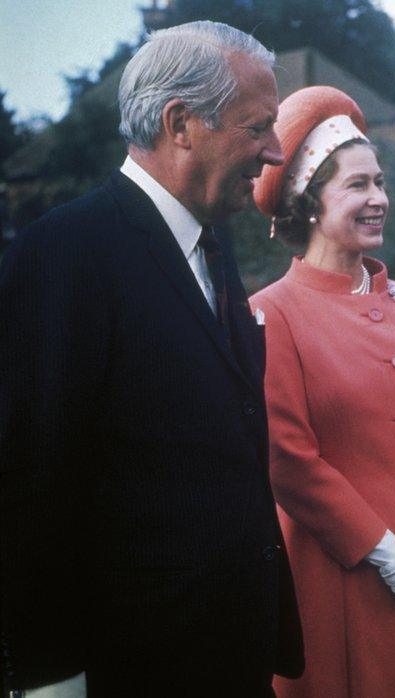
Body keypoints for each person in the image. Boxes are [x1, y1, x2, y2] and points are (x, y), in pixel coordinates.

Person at [0, 21, 303, 697]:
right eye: (257, 127)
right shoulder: (64, 256)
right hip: (130, 667)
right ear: (181, 123)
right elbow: (29, 482)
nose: (276, 150)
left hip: (229, 651)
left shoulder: (212, 246)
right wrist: (53, 677)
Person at [249, 86, 395, 698]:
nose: (379, 198)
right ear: (308, 200)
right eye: (357, 185)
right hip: (338, 580)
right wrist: (383, 551)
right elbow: (287, 459)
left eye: (380, 182)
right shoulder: (272, 315)